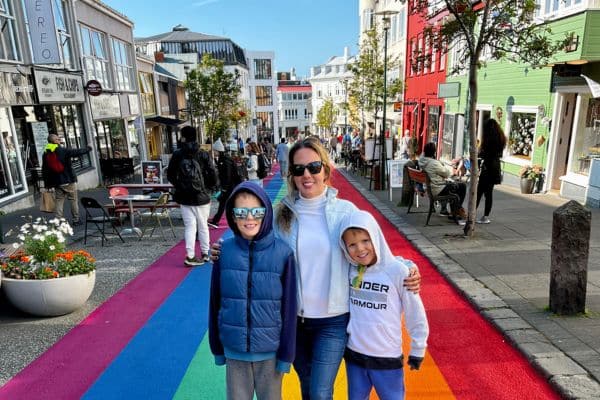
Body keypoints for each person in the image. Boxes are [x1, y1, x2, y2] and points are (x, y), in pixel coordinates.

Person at [212, 137, 421, 399]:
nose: (307, 175)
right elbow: (254, 239)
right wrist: (223, 246)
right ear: (292, 174)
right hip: (292, 322)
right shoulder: (280, 214)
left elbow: (373, 250)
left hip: (332, 321)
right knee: (308, 387)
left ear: (325, 169)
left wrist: (408, 266)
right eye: (299, 169)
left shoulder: (346, 212)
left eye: (313, 167)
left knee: (321, 392)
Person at [209, 182, 297, 400]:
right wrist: (217, 347)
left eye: (256, 211)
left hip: (270, 352)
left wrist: (286, 353)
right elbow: (215, 302)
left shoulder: (284, 254)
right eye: (241, 212)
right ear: (232, 215)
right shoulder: (224, 252)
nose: (249, 218)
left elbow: (289, 308)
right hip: (234, 349)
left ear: (266, 213)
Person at [340, 210, 429, 400]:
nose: (360, 249)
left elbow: (415, 312)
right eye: (352, 245)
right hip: (355, 355)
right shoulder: (349, 270)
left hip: (386, 357)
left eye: (366, 240)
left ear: (376, 237)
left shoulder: (398, 271)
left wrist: (418, 348)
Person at [167, 126, 218, 266]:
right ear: (196, 136)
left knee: (190, 226)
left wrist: (180, 186)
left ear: (183, 137)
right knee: (203, 226)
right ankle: (205, 253)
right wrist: (209, 187)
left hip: (184, 197)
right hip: (202, 196)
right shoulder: (202, 153)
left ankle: (190, 256)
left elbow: (170, 174)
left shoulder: (177, 154)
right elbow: (212, 172)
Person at [41, 134, 92, 226]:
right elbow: (77, 152)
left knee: (59, 201)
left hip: (56, 182)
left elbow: (45, 169)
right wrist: (88, 148)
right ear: (55, 141)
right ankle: (76, 220)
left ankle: (57, 221)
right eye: (58, 138)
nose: (59, 139)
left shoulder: (46, 153)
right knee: (73, 199)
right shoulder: (62, 150)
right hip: (68, 180)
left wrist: (47, 184)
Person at [418, 142, 467, 220]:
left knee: (454, 186)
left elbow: (422, 155)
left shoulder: (421, 160)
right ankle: (456, 210)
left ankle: (455, 211)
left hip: (430, 188)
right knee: (462, 186)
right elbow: (447, 174)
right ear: (434, 152)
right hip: (437, 189)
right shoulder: (433, 163)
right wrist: (440, 164)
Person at [477, 119, 507, 224]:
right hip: (495, 168)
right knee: (489, 194)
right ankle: (485, 216)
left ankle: (472, 213)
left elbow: (483, 154)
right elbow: (499, 154)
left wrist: (479, 153)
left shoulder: (489, 140)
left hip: (487, 168)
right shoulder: (501, 139)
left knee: (479, 191)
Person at [209, 139, 241, 228]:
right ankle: (217, 220)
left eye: (214, 150)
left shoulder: (225, 160)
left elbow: (227, 175)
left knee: (224, 203)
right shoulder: (223, 159)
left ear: (218, 150)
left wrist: (224, 187)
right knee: (226, 203)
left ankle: (216, 220)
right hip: (231, 185)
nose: (213, 152)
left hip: (230, 185)